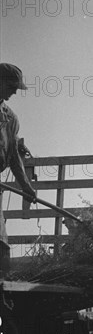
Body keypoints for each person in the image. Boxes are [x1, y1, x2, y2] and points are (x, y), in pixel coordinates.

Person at [0, 63, 37, 273]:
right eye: (11, 85)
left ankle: (3, 286)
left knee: (0, 239)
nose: (15, 91)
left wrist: (26, 186)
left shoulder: (11, 118)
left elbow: (14, 155)